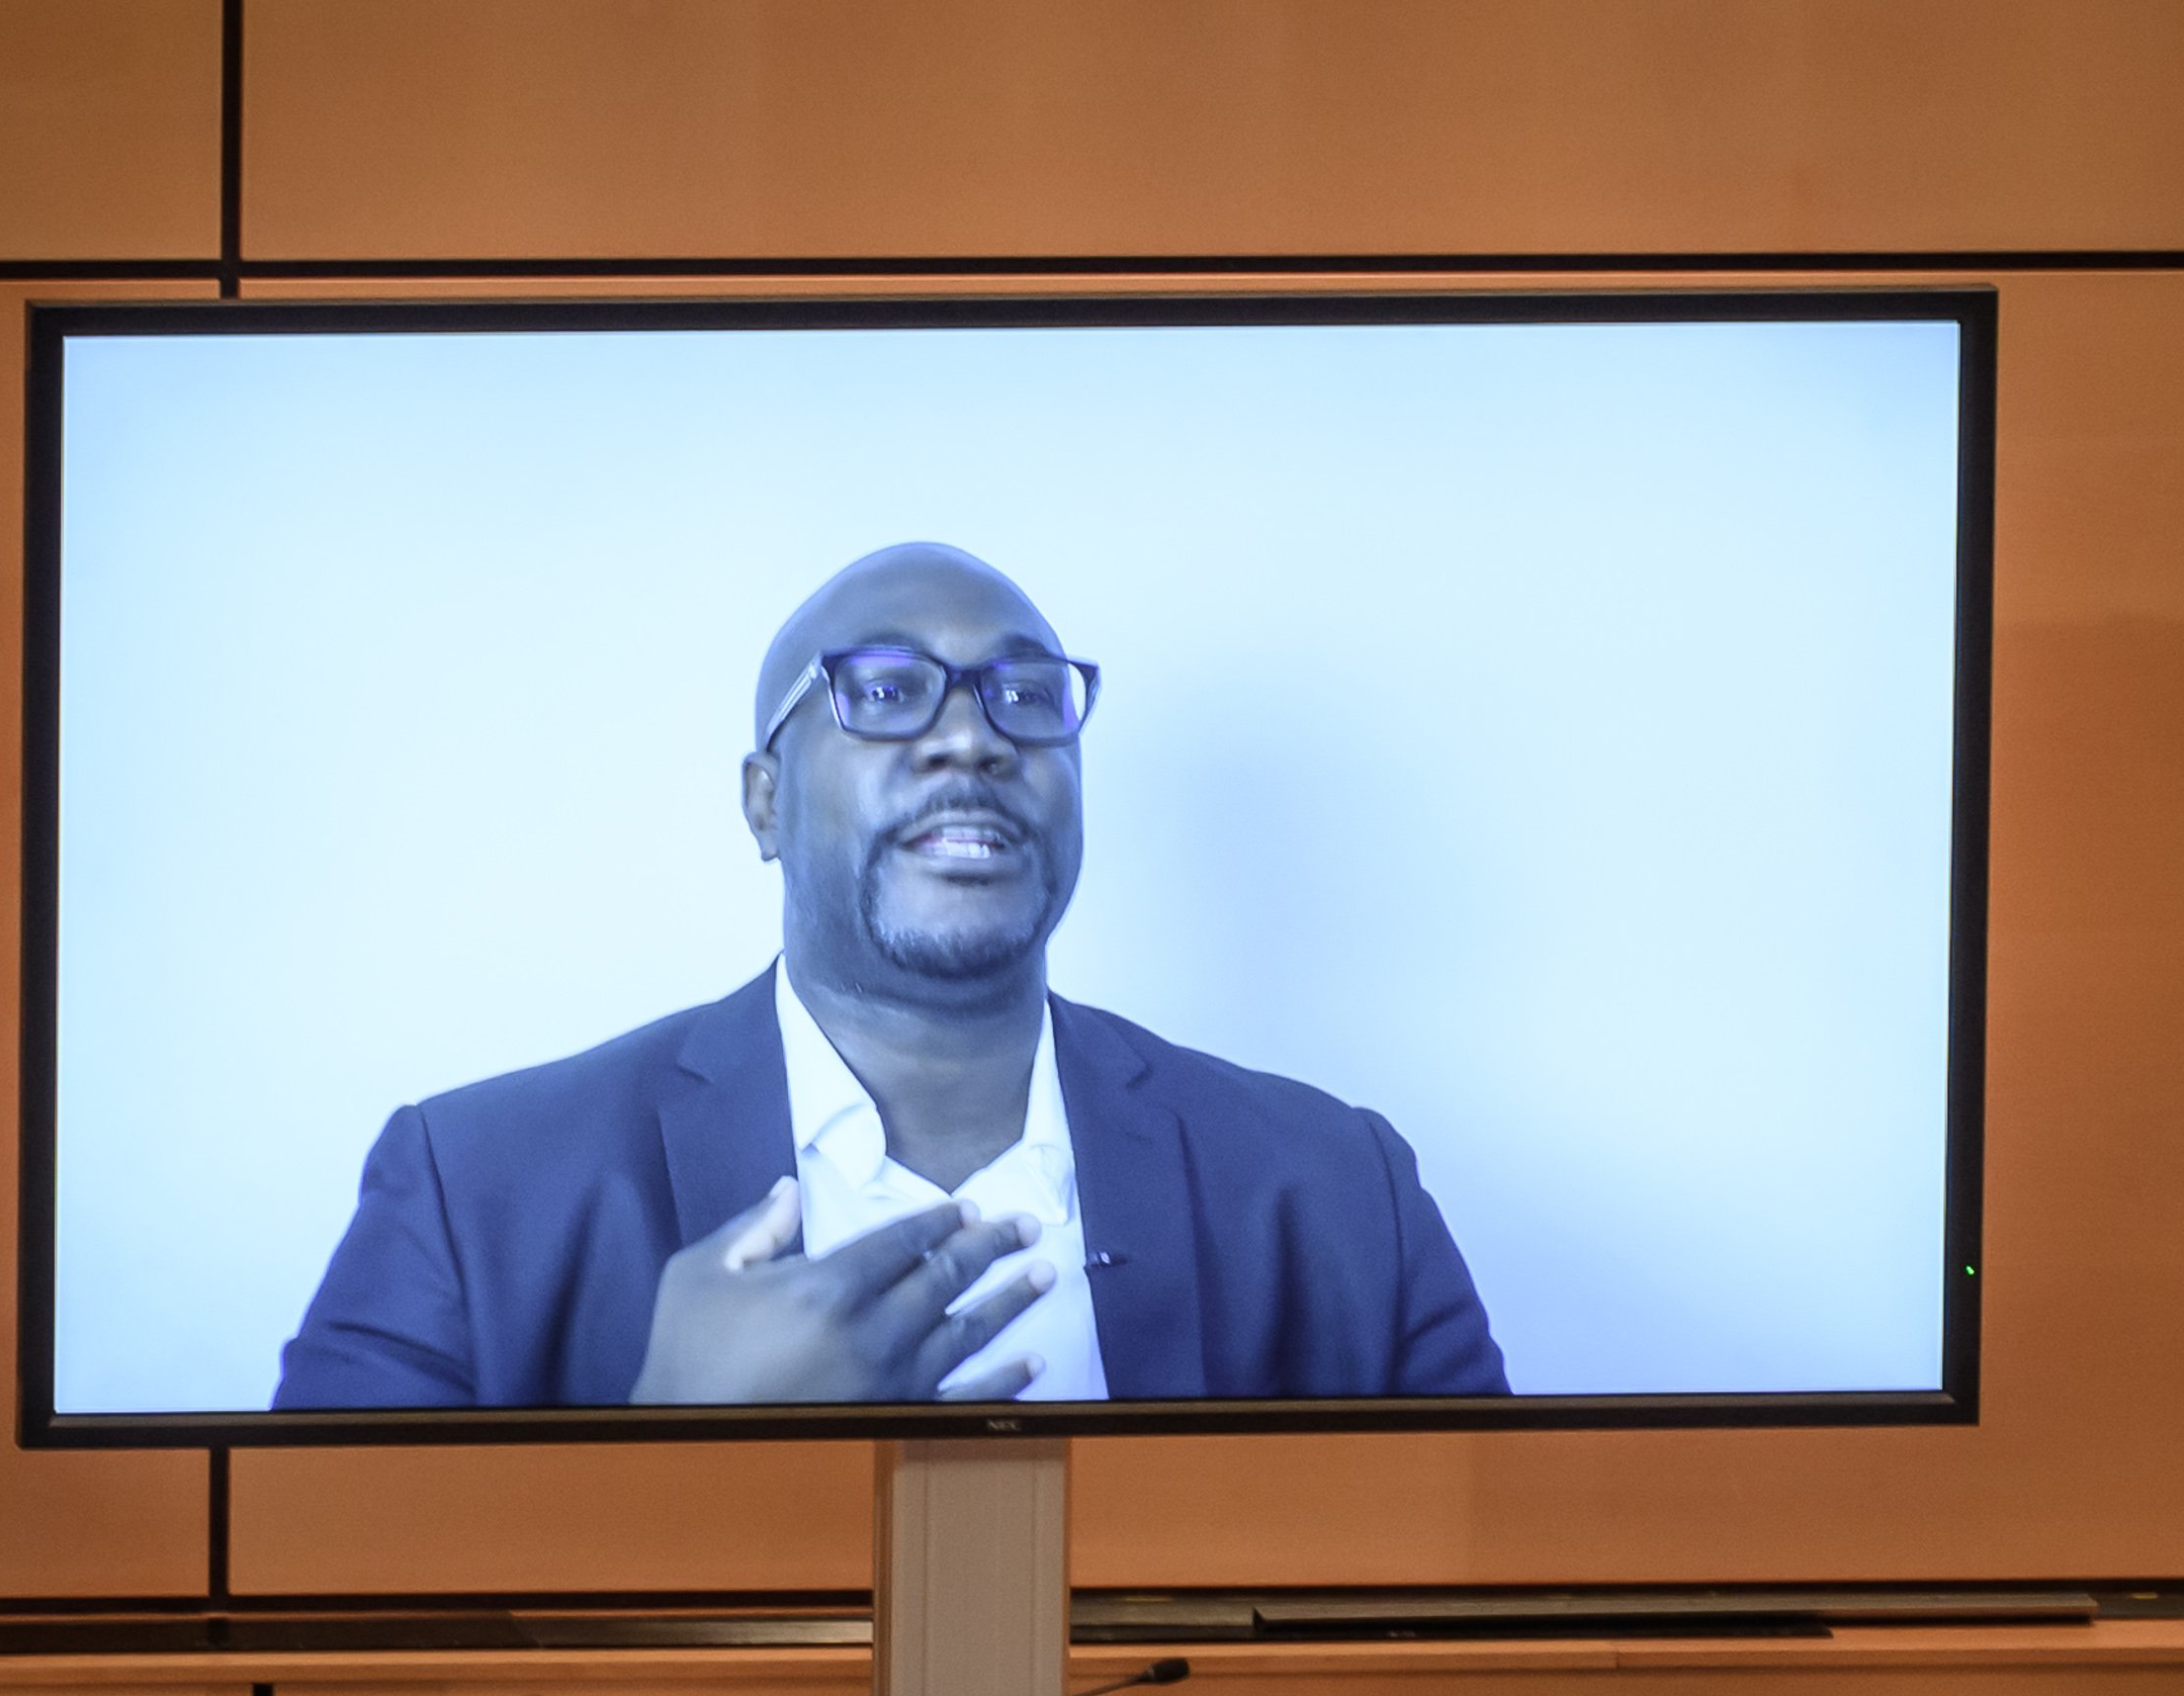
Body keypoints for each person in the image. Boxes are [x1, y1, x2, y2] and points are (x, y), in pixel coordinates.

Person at [274, 541, 1508, 1409]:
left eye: (1025, 696)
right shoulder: (471, 1186)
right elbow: (314, 1645)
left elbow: (1483, 1629)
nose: (971, 736)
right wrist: (663, 1451)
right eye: (886, 692)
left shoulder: (1340, 1193)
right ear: (764, 801)